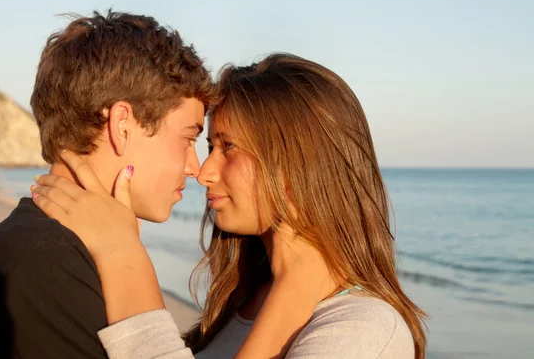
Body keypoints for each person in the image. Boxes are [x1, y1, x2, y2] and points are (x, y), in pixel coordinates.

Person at [32, 53, 428, 358]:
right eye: (208, 146)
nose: (203, 172)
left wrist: (123, 255)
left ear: (294, 163)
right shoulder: (246, 304)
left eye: (228, 147)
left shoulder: (365, 329)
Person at [0, 10, 217, 358]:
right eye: (188, 138)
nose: (195, 167)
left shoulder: (36, 245)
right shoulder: (48, 263)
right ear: (122, 126)